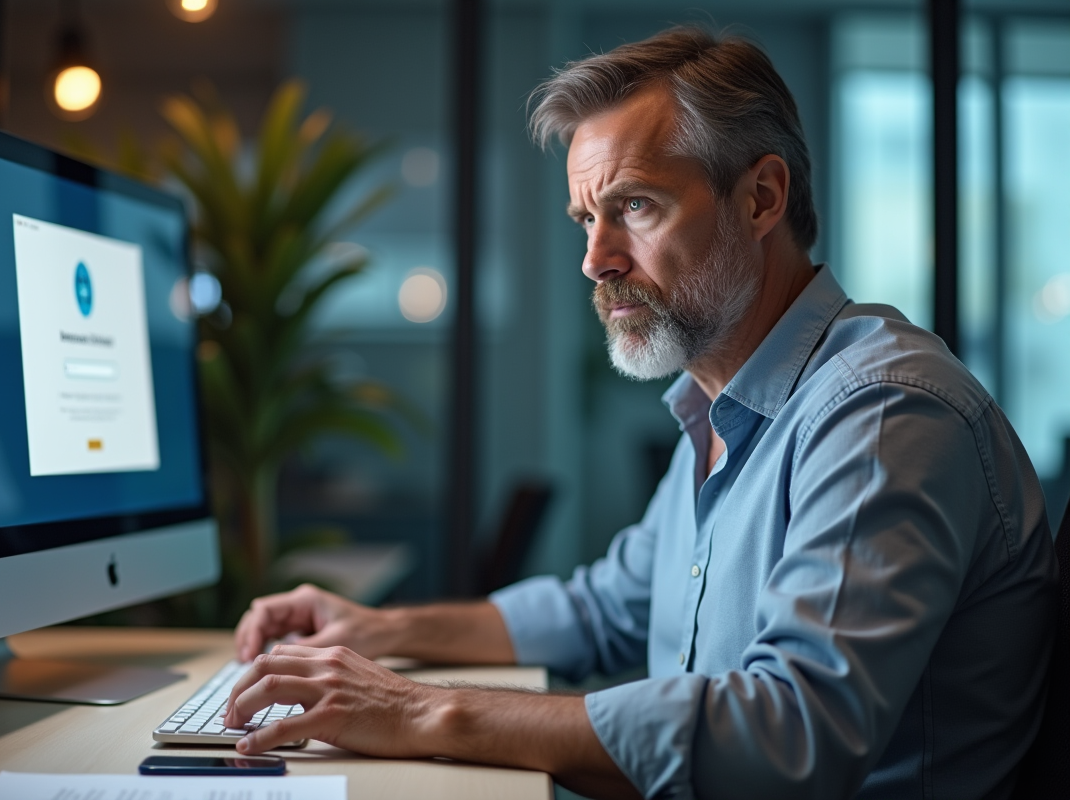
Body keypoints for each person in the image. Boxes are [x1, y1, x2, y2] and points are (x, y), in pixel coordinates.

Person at [222, 26, 1058, 800]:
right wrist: (375, 627)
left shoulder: (880, 414)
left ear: (762, 197)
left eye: (635, 207)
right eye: (587, 218)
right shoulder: (723, 406)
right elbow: (605, 609)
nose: (595, 259)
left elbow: (792, 737)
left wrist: (421, 711)